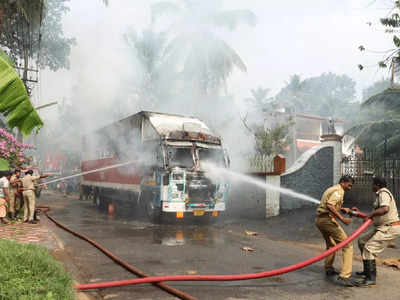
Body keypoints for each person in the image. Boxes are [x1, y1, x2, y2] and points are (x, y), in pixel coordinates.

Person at [352, 176, 400, 287]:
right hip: (382, 227)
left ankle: (371, 279)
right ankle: (367, 271)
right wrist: (357, 213)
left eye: (373, 184)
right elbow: (375, 214)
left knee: (369, 248)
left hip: (389, 228)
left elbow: (384, 209)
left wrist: (370, 214)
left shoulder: (383, 193)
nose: (371, 186)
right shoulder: (380, 195)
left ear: (377, 185)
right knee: (362, 241)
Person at [315, 175, 360, 286]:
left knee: (331, 245)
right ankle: (344, 276)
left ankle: (329, 268)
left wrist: (344, 209)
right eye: (349, 185)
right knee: (347, 245)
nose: (350, 188)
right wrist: (342, 218)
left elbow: (330, 204)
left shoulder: (333, 188)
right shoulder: (339, 191)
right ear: (343, 182)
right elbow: (330, 205)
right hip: (327, 221)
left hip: (320, 220)